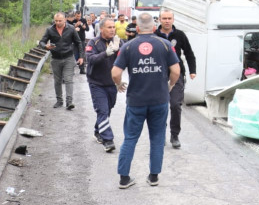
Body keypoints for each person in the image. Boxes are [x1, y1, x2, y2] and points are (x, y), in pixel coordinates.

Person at [112, 13, 180, 189]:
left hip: (136, 100)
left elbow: (115, 73)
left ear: (138, 28)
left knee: (130, 138)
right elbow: (176, 71)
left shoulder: (127, 47)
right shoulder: (165, 45)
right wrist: (170, 85)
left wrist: (119, 85)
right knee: (157, 139)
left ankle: (124, 179)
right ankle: (153, 176)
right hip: (159, 100)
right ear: (154, 26)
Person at [155, 9, 196, 149]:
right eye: (164, 18)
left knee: (175, 105)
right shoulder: (154, 35)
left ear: (173, 20)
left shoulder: (180, 35)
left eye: (169, 18)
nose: (167, 21)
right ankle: (160, 134)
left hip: (177, 74)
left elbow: (189, 53)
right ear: (159, 19)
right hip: (158, 75)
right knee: (159, 107)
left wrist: (192, 71)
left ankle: (174, 135)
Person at [85, 18, 123, 152]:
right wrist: (105, 53)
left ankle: (98, 130)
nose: (112, 29)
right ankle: (108, 140)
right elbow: (90, 59)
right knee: (103, 110)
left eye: (113, 27)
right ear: (101, 29)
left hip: (111, 83)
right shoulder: (93, 42)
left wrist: (120, 50)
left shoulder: (118, 41)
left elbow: (125, 60)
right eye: (109, 27)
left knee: (108, 109)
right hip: (97, 83)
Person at [39, 12, 84, 109]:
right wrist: (45, 46)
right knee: (57, 81)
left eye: (60, 20)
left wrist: (81, 57)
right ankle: (59, 101)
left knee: (68, 80)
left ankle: (69, 102)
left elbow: (78, 43)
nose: (58, 22)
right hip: (56, 58)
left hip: (68, 58)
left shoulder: (71, 28)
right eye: (56, 21)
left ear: (65, 20)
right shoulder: (50, 30)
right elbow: (41, 42)